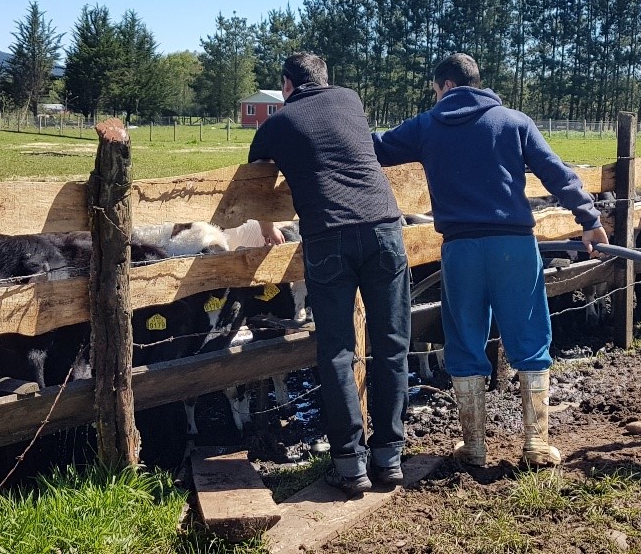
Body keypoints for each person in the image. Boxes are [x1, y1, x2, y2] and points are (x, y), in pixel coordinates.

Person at [372, 53, 608, 469]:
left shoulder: (427, 126)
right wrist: (588, 219)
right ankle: (536, 444)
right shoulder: (514, 122)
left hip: (461, 249)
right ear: (477, 84)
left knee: (464, 337)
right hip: (513, 246)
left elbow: (376, 149)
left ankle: (475, 446)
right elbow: (557, 173)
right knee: (530, 335)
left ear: (442, 85)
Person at [248, 52, 412, 495]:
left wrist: (267, 226)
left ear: (287, 85)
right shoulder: (350, 100)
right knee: (393, 345)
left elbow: (255, 180)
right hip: (383, 228)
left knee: (338, 351)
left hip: (328, 237)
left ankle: (349, 464)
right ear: (326, 79)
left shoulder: (278, 123)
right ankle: (390, 459)